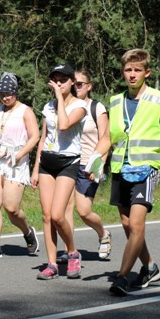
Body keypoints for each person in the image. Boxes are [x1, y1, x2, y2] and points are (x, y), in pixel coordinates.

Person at [95, 49, 160, 296]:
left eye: (137, 70)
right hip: (120, 168)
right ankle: (149, 267)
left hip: (145, 169)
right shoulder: (116, 101)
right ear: (122, 72)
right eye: (128, 70)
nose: (132, 75)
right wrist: (93, 162)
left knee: (136, 224)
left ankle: (123, 277)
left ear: (147, 72)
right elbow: (108, 138)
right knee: (127, 225)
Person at [31, 63, 86, 280]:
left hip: (68, 163)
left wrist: (60, 99)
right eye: (55, 79)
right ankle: (52, 263)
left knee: (57, 215)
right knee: (46, 216)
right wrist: (35, 168)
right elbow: (44, 138)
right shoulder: (47, 107)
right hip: (47, 162)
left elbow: (64, 125)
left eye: (63, 79)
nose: (59, 83)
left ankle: (72, 252)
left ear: (72, 81)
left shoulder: (79, 106)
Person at [0, 72, 40, 260]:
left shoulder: (25, 111)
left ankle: (27, 232)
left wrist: (20, 154)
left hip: (16, 161)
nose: (5, 97)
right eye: (2, 93)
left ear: (16, 92)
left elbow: (35, 137)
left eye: (9, 93)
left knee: (11, 207)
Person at [63, 69, 112, 260]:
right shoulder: (68, 107)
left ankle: (103, 234)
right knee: (66, 208)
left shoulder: (97, 108)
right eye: (73, 84)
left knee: (83, 211)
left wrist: (97, 166)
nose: (76, 87)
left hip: (88, 164)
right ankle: (70, 250)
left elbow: (106, 139)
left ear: (89, 86)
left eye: (80, 84)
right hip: (68, 162)